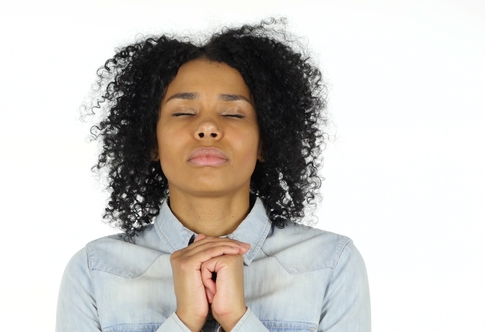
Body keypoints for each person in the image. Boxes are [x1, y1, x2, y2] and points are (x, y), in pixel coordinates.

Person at [56, 19, 371, 332]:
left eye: (233, 114)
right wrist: (185, 321)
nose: (207, 128)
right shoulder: (95, 271)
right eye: (183, 112)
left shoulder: (330, 264)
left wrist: (237, 318)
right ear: (152, 141)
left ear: (265, 141)